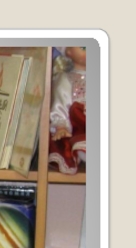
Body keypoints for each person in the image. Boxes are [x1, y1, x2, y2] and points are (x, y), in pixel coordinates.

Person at [48, 46, 86, 175]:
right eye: (84, 47)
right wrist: (61, 126)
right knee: (77, 111)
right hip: (78, 126)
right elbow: (60, 103)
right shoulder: (66, 79)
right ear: (68, 52)